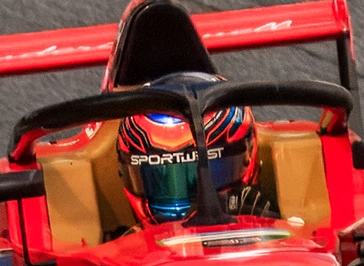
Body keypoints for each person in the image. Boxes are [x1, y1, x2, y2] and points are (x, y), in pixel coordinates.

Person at [115, 71, 278, 223]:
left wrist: (271, 224)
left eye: (215, 174)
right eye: (159, 181)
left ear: (249, 153)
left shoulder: (266, 212)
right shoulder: (116, 246)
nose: (185, 210)